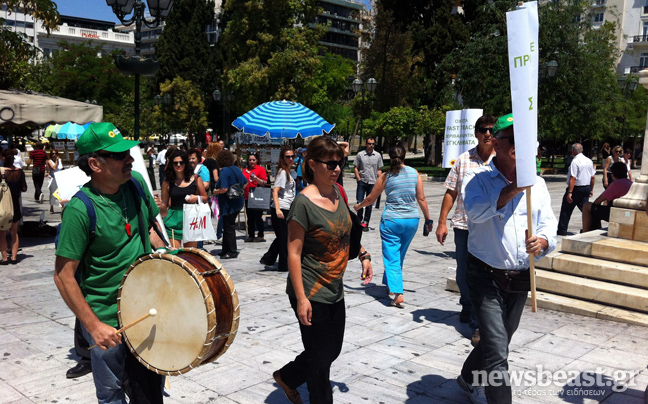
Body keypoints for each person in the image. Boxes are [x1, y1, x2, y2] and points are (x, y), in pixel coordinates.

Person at [53, 122, 166, 404]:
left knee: (150, 394)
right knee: (112, 396)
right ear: (95, 164)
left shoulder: (136, 184)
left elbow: (151, 229)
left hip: (145, 311)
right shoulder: (80, 210)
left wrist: (173, 259)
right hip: (107, 322)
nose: (129, 159)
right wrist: (93, 326)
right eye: (119, 156)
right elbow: (63, 276)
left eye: (128, 152)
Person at [457, 114, 557, 404]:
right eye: (512, 139)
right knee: (498, 351)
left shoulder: (538, 185)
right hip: (485, 275)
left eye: (523, 140)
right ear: (495, 142)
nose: (518, 145)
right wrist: (514, 187)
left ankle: (467, 377)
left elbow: (548, 223)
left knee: (499, 339)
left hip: (520, 276)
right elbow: (474, 213)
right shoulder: (479, 180)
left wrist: (543, 240)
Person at [273, 136, 373, 404]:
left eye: (340, 163)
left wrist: (363, 254)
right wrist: (302, 298)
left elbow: (345, 233)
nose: (336, 169)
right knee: (320, 359)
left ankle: (288, 376)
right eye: (330, 164)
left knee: (331, 350)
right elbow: (293, 253)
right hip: (309, 288)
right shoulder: (303, 204)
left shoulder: (338, 193)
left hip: (334, 288)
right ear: (313, 164)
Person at [436, 115, 496, 346]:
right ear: (476, 133)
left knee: (485, 275)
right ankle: (467, 302)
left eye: (491, 130)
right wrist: (442, 222)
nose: (487, 134)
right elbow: (451, 192)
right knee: (463, 272)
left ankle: (479, 323)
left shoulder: (500, 160)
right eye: (483, 129)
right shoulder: (463, 160)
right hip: (464, 226)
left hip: (490, 228)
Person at [353, 143, 432, 308]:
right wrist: (428, 219)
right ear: (404, 156)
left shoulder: (386, 176)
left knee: (391, 256)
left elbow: (371, 198)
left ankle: (398, 293)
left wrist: (359, 206)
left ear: (390, 157)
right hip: (412, 220)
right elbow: (422, 198)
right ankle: (390, 284)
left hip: (392, 221)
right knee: (399, 254)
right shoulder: (414, 173)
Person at [160, 150, 208, 248]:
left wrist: (196, 198)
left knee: (190, 255)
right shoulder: (167, 182)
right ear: (171, 165)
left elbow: (205, 198)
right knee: (174, 255)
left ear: (186, 163)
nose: (178, 165)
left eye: (181, 162)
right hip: (173, 220)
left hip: (191, 219)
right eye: (175, 163)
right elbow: (164, 204)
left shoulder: (195, 178)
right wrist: (157, 205)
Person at [260, 146, 296, 271]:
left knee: (283, 236)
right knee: (284, 238)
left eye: (292, 156)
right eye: (288, 156)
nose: (291, 159)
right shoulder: (283, 173)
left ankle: (269, 258)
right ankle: (283, 265)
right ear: (283, 158)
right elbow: (275, 192)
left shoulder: (288, 172)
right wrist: (277, 209)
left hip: (287, 207)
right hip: (281, 208)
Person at [556, 143, 596, 236]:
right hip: (586, 187)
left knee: (566, 209)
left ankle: (562, 230)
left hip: (576, 188)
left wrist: (570, 192)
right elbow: (592, 177)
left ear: (573, 151)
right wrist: (591, 189)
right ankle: (592, 226)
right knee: (585, 209)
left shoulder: (575, 161)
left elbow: (573, 178)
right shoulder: (589, 161)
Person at [213, 150, 246, 259]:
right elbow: (245, 182)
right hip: (238, 201)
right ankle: (225, 250)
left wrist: (215, 192)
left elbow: (224, 189)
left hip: (229, 204)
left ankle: (232, 251)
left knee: (229, 227)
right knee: (228, 226)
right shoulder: (236, 168)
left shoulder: (223, 171)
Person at [582, 162, 633, 232]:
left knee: (587, 206)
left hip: (617, 214)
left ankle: (585, 231)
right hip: (628, 214)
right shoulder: (630, 183)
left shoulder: (616, 184)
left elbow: (597, 201)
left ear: (613, 174)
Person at [0, 149, 27, 264]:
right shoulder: (20, 172)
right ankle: (14, 257)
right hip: (15, 205)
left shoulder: (1, 171)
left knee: (2, 233)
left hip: (3, 206)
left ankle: (5, 258)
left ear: (3, 158)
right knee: (14, 232)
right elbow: (24, 188)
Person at [354, 137, 383, 231]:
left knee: (369, 204)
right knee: (360, 202)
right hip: (362, 182)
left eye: (373, 144)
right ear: (366, 144)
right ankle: (359, 220)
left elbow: (379, 169)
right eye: (369, 143)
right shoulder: (360, 155)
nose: (371, 145)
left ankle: (365, 222)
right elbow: (356, 167)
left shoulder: (378, 155)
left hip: (372, 182)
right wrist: (358, 179)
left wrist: (381, 180)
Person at [242, 153, 268, 242]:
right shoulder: (245, 170)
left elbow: (264, 183)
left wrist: (256, 178)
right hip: (247, 196)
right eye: (250, 160)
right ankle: (251, 235)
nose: (251, 162)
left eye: (253, 160)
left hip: (257, 196)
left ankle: (260, 235)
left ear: (257, 160)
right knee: (250, 217)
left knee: (257, 216)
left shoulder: (260, 169)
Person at [47, 149, 63, 214]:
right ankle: (52, 206)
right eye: (53, 153)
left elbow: (61, 168)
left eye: (55, 153)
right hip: (53, 179)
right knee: (53, 194)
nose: (54, 155)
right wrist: (56, 160)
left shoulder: (60, 160)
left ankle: (62, 207)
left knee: (61, 193)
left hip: (60, 178)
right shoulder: (49, 161)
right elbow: (54, 168)